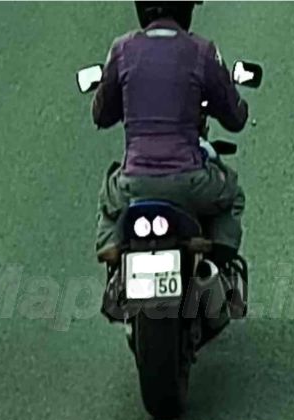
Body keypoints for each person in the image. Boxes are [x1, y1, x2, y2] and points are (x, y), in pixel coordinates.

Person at [92, 1, 249, 271]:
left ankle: (111, 247)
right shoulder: (201, 51)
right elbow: (235, 118)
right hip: (191, 181)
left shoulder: (122, 49)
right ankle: (218, 255)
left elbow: (101, 115)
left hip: (134, 183)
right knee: (231, 191)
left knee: (109, 197)